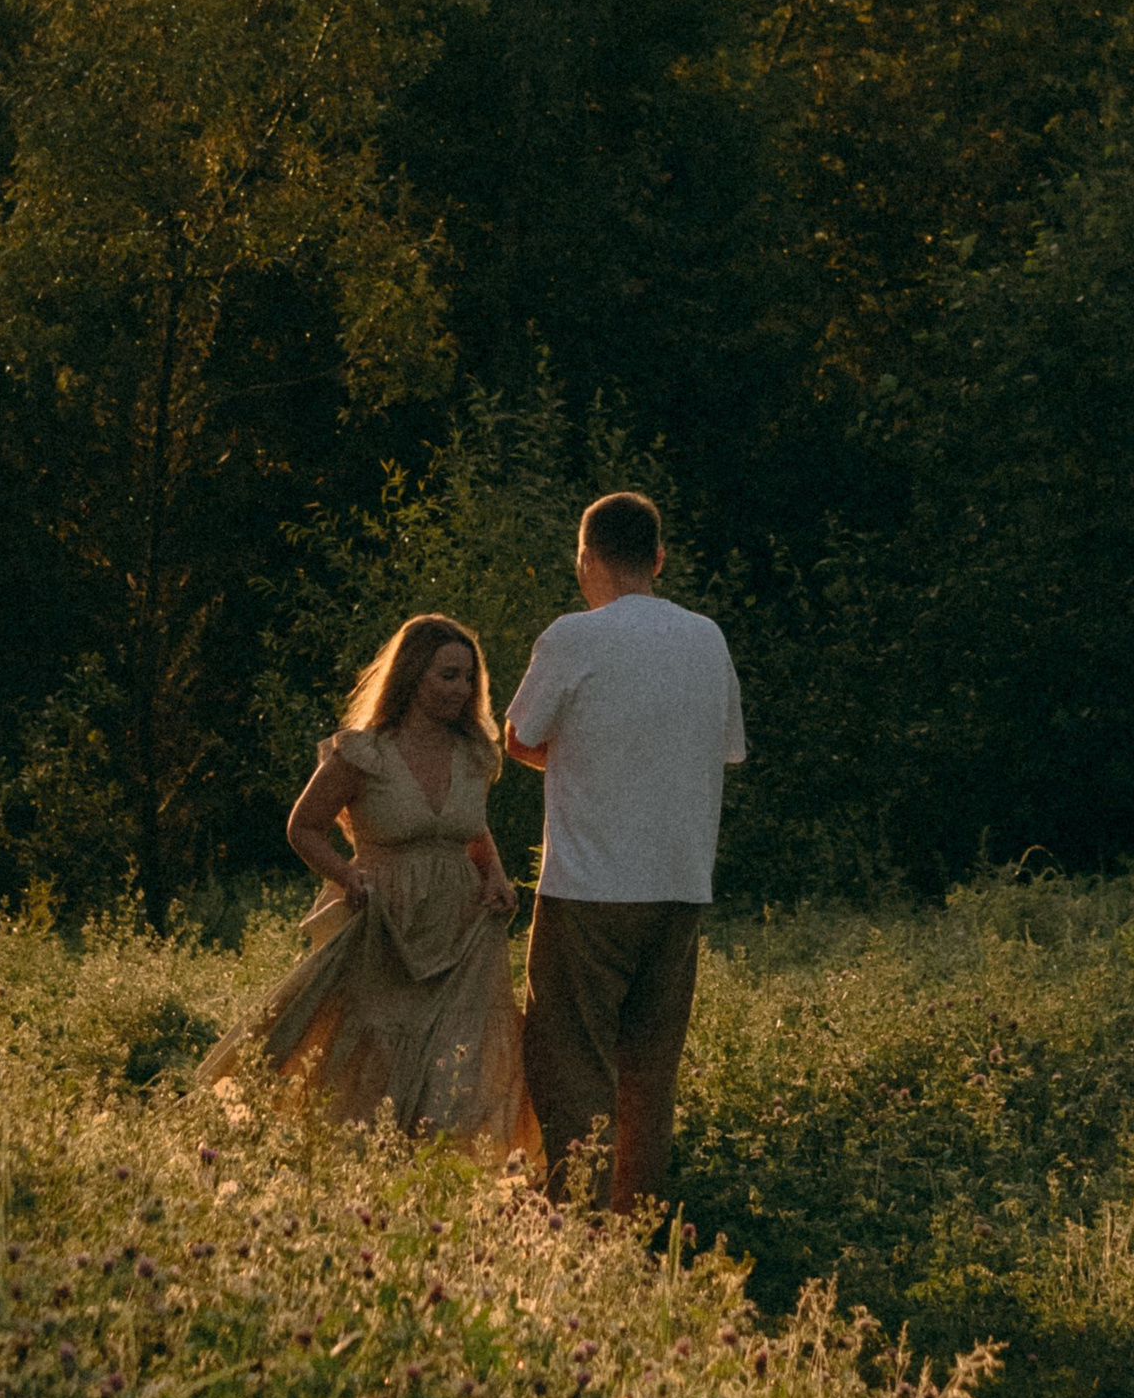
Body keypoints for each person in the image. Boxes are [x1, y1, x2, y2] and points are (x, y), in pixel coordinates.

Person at [198, 614, 539, 1160]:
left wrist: (494, 875)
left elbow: (471, 829)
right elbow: (302, 827)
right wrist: (346, 874)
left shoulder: (475, 754)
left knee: (459, 1051)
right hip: (386, 921)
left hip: (461, 927)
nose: (461, 690)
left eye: (468, 678)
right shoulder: (364, 752)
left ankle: (439, 1174)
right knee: (372, 1045)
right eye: (446, 676)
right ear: (411, 676)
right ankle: (352, 1159)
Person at [503, 492, 746, 1217]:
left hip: (588, 886)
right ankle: (635, 1232)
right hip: (680, 884)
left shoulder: (573, 637)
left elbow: (516, 737)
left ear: (586, 558)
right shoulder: (707, 638)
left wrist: (581, 761)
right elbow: (722, 751)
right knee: (650, 1073)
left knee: (570, 1065)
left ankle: (575, 1229)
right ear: (659, 559)